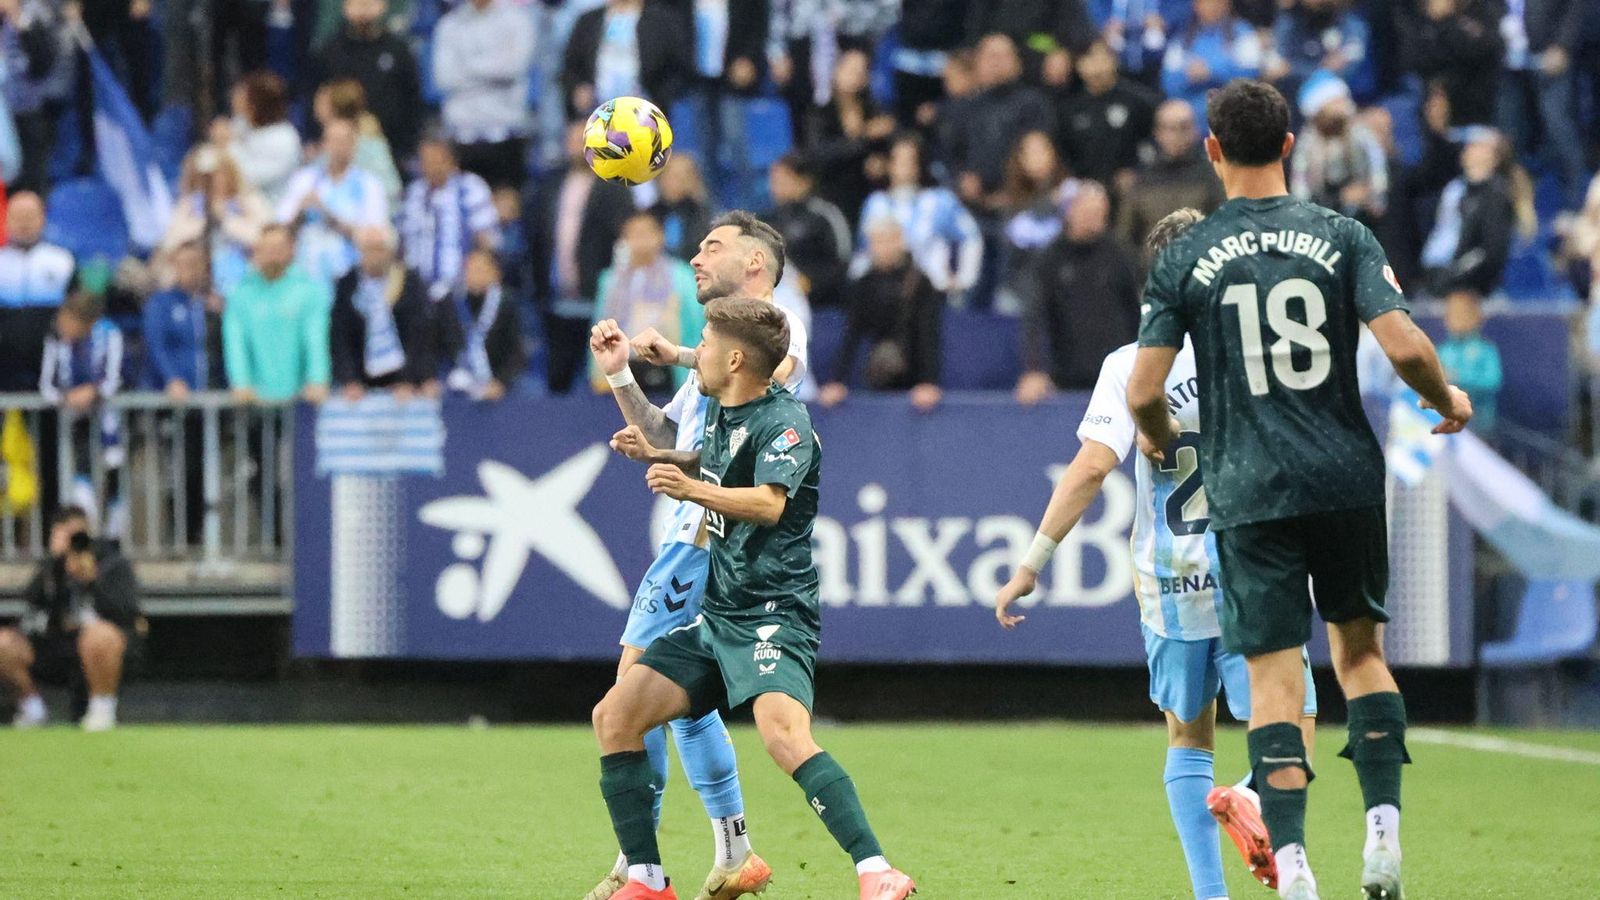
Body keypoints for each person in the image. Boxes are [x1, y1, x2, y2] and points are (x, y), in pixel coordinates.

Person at [1127, 79, 1473, 900]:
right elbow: (1404, 342)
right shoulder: (1342, 235)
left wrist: (1151, 434)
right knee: (1360, 657)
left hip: (1250, 489)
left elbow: (1145, 391)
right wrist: (1445, 398)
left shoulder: (1183, 256)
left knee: (1277, 682)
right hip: (1345, 475)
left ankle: (1292, 866)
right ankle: (1382, 835)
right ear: (1290, 146)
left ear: (1212, 152)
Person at [997, 207, 1319, 900]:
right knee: (1294, 714)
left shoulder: (1128, 365)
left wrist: (1032, 563)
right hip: (1251, 563)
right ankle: (1255, 793)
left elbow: (1088, 469)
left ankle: (1211, 894)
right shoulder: (1256, 350)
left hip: (1171, 578)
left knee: (1187, 734)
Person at [591, 297, 915, 900]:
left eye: (707, 344)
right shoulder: (721, 409)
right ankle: (647, 878)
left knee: (783, 735)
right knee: (614, 715)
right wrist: (658, 453)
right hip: (719, 616)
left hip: (773, 614)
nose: (699, 354)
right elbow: (710, 460)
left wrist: (687, 487)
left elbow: (768, 503)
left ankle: (877, 870)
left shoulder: (784, 421)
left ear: (736, 358)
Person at [583, 211, 811, 900]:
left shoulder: (778, 322)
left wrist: (683, 354)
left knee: (631, 693)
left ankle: (639, 868)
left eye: (712, 247)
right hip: (690, 535)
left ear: (755, 266)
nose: (695, 260)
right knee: (681, 702)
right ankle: (730, 850)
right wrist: (624, 374)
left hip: (710, 543)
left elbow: (784, 368)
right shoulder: (716, 351)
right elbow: (663, 432)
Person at [0, 506, 143, 731]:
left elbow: (125, 612)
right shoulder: (51, 569)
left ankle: (102, 708)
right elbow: (32, 603)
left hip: (102, 649)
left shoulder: (112, 563)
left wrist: (92, 580)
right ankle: (32, 708)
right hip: (57, 644)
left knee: (99, 635)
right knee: (4, 642)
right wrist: (56, 569)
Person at [528, 121, 634, 394]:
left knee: (602, 378)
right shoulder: (549, 185)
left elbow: (623, 237)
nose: (576, 145)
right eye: (572, 138)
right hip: (555, 299)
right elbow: (536, 236)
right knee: (557, 376)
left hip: (598, 299)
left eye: (583, 139)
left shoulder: (614, 186)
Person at [1015, 182, 1141, 403]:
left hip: (1119, 377)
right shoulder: (1050, 259)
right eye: (1090, 212)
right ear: (1071, 211)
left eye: (1101, 212)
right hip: (1066, 380)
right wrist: (1034, 369)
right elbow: (1035, 317)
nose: (1096, 218)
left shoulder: (1120, 254)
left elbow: (1138, 311)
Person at [820, 218, 943, 412]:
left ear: (900, 242)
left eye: (887, 241)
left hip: (913, 375)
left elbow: (928, 333)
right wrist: (837, 381)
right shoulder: (865, 284)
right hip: (881, 371)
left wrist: (928, 381)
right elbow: (852, 333)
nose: (881, 248)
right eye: (876, 242)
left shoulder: (920, 283)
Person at [853, 133, 983, 300]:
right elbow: (863, 252)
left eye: (910, 160)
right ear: (888, 163)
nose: (904, 166)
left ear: (920, 164)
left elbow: (971, 238)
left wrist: (964, 280)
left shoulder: (940, 201)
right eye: (898, 160)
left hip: (932, 294)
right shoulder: (875, 203)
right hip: (883, 295)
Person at [41, 292, 126, 531]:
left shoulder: (109, 333)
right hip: (76, 421)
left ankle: (113, 537)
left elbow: (115, 376)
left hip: (110, 420)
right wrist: (66, 397)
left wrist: (94, 392)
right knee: (80, 475)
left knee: (114, 473)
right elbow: (47, 384)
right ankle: (83, 535)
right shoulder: (56, 340)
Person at [591, 212, 702, 395]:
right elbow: (598, 325)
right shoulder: (610, 280)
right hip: (625, 363)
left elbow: (696, 324)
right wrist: (598, 372)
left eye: (645, 233)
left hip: (668, 368)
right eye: (632, 234)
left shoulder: (681, 276)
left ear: (660, 236)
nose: (639, 240)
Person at [432, 0, 537, 189]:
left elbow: (513, 67)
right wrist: (493, 69)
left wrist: (465, 66)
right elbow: (444, 77)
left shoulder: (517, 20)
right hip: (461, 136)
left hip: (506, 135)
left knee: (505, 212)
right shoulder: (449, 25)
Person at [329, 225, 443, 400]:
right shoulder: (347, 284)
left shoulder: (408, 282)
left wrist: (411, 379)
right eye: (368, 249)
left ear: (391, 251)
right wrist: (349, 379)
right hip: (361, 380)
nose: (374, 256)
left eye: (379, 249)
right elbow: (340, 337)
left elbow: (421, 335)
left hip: (405, 380)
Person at [223, 225, 332, 405]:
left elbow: (315, 339)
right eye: (267, 248)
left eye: (279, 248)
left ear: (291, 250)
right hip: (253, 402)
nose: (273, 254)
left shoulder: (309, 291)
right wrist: (240, 382)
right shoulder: (240, 294)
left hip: (301, 399)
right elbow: (235, 344)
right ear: (257, 251)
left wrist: (317, 379)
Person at [276, 116, 390, 283]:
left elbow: (374, 237)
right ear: (324, 144)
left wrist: (330, 216)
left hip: (348, 275)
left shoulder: (369, 185)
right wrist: (299, 212)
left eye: (344, 141)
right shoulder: (304, 179)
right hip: (304, 271)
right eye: (333, 141)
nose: (338, 147)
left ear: (354, 145)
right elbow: (280, 227)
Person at [308, 0, 423, 162]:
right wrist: (316, 137)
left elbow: (412, 99)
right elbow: (315, 96)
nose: (363, 7)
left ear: (383, 5)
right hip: (338, 148)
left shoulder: (398, 51)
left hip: (393, 148)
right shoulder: (330, 51)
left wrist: (407, 146)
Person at [1117, 99, 1225, 258]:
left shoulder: (1212, 176)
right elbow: (1125, 236)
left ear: (1194, 131)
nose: (1175, 135)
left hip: (1200, 270)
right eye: (1168, 128)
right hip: (1153, 273)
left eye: (1183, 128)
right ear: (1157, 133)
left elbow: (1225, 229)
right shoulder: (1143, 179)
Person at [802, 48, 897, 226]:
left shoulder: (875, 111)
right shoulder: (821, 114)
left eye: (862, 71)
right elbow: (819, 154)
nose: (856, 76)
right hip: (833, 192)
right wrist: (863, 137)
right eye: (851, 70)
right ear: (837, 71)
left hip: (871, 194)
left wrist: (882, 162)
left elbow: (890, 144)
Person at [159, 144, 270, 295]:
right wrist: (202, 220)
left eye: (216, 175)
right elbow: (170, 245)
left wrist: (226, 219)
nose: (210, 182)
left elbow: (265, 240)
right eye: (203, 177)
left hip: (246, 280)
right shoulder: (187, 206)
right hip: (199, 283)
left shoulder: (248, 200)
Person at [561, 0, 693, 120]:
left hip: (645, 118)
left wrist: (657, 102)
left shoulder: (662, 21)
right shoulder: (588, 21)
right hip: (596, 115)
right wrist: (578, 90)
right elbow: (570, 68)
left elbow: (679, 70)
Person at [1055, 40, 1159, 191]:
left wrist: (1138, 171)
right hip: (1086, 193)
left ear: (1114, 61)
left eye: (1102, 58)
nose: (1096, 67)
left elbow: (1155, 142)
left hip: (1131, 189)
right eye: (1089, 59)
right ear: (1078, 65)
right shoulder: (1068, 108)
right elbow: (1063, 154)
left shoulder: (1139, 101)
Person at [399, 138, 498, 297]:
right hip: (418, 291)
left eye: (435, 160)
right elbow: (402, 242)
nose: (429, 166)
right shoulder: (413, 193)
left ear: (449, 161)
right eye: (425, 160)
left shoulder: (470, 189)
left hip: (459, 290)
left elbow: (487, 241)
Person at [0, 191, 76, 392]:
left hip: (49, 362)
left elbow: (75, 312)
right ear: (6, 219)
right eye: (18, 217)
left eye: (30, 217)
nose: (24, 224)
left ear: (43, 218)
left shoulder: (62, 261)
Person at [1289, 73, 1387, 225]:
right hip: (1323, 221)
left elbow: (1377, 170)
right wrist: (1340, 198)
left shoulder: (1360, 134)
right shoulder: (1308, 145)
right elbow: (1301, 194)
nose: (1345, 105)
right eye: (1337, 101)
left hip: (1364, 217)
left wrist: (1374, 197)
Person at [1160, 0, 1263, 132]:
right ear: (1196, 5)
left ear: (1226, 4)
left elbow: (1250, 76)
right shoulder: (1184, 38)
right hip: (1187, 108)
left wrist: (1211, 73)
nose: (1211, 6)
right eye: (1205, 2)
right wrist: (1187, 76)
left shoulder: (1243, 34)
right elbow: (1168, 81)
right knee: (1170, 115)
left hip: (1228, 107)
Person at [764, 154, 851, 309]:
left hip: (823, 305)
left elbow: (843, 260)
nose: (775, 187)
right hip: (781, 303)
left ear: (804, 182)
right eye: (774, 181)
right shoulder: (769, 220)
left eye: (782, 180)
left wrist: (810, 283)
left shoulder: (824, 215)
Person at [444, 247, 524, 401]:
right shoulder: (450, 303)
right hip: (455, 381)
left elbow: (516, 353)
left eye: (480, 269)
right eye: (470, 269)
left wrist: (501, 382)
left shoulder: (505, 304)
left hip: (495, 380)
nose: (474, 275)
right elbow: (435, 347)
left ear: (495, 274)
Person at [310, 78, 403, 207]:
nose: (315, 105)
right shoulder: (322, 148)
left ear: (335, 108)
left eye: (322, 101)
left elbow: (390, 189)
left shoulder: (369, 144)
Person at [221, 71, 302, 205]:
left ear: (257, 103)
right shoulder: (243, 125)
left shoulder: (284, 138)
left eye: (243, 96)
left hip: (272, 210)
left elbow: (249, 177)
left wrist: (228, 145)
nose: (235, 99)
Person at [1437, 289, 1503, 432]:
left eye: (1463, 314)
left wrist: (1458, 379)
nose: (1457, 320)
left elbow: (1492, 381)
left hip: (1479, 421)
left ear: (1477, 317)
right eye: (1452, 314)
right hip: (1445, 421)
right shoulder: (1442, 351)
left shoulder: (1486, 350)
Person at [650, 155, 713, 264]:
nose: (673, 183)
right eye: (669, 177)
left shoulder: (705, 218)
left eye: (680, 177)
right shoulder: (649, 215)